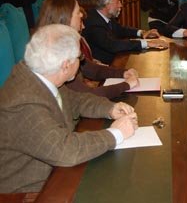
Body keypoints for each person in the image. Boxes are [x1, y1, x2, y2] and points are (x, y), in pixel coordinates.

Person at [0, 24, 138, 193]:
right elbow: (65, 151)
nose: (80, 63)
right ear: (66, 65)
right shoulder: (24, 103)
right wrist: (116, 133)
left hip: (57, 172)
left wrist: (110, 108)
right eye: (79, 59)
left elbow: (76, 100)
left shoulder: (42, 76)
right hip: (31, 191)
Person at [36, 0, 139, 99]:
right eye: (77, 12)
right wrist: (126, 85)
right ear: (66, 18)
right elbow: (88, 95)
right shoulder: (55, 53)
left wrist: (124, 73)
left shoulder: (66, 43)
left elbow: (93, 69)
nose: (81, 15)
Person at [82, 0, 168, 64]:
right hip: (104, 67)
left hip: (115, 59)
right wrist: (148, 43)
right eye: (117, 2)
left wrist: (142, 32)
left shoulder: (106, 16)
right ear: (107, 5)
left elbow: (120, 29)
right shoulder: (94, 23)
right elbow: (112, 45)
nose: (121, 5)